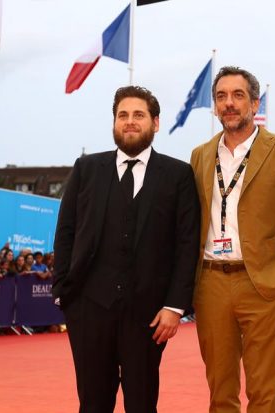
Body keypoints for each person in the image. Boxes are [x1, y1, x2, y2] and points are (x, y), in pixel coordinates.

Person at [53, 85, 200, 412]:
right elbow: (66, 231)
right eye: (123, 115)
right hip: (89, 309)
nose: (129, 122)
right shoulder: (87, 168)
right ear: (114, 123)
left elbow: (187, 244)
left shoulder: (178, 175)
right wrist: (64, 292)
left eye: (138, 115)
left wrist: (175, 306)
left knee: (142, 402)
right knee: (92, 402)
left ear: (156, 123)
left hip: (149, 316)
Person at [190, 66, 275, 412]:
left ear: (254, 104)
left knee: (264, 392)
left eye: (238, 95)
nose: (229, 103)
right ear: (214, 106)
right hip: (211, 284)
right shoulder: (199, 155)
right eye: (222, 96)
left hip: (264, 284)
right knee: (220, 392)